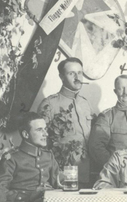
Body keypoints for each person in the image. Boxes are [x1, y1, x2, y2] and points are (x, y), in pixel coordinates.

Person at [0, 112, 58, 202]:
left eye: (45, 129)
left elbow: (59, 184)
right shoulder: (12, 158)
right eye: (40, 130)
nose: (46, 134)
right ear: (25, 134)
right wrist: (30, 195)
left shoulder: (48, 156)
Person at [38, 56, 95, 185]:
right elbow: (41, 142)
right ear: (61, 77)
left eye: (80, 73)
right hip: (65, 171)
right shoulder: (50, 104)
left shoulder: (86, 104)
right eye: (71, 73)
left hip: (89, 170)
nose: (77, 77)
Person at [87, 73, 127, 173]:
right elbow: (96, 147)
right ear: (115, 91)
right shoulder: (106, 116)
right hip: (117, 174)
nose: (125, 92)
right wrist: (115, 166)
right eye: (121, 88)